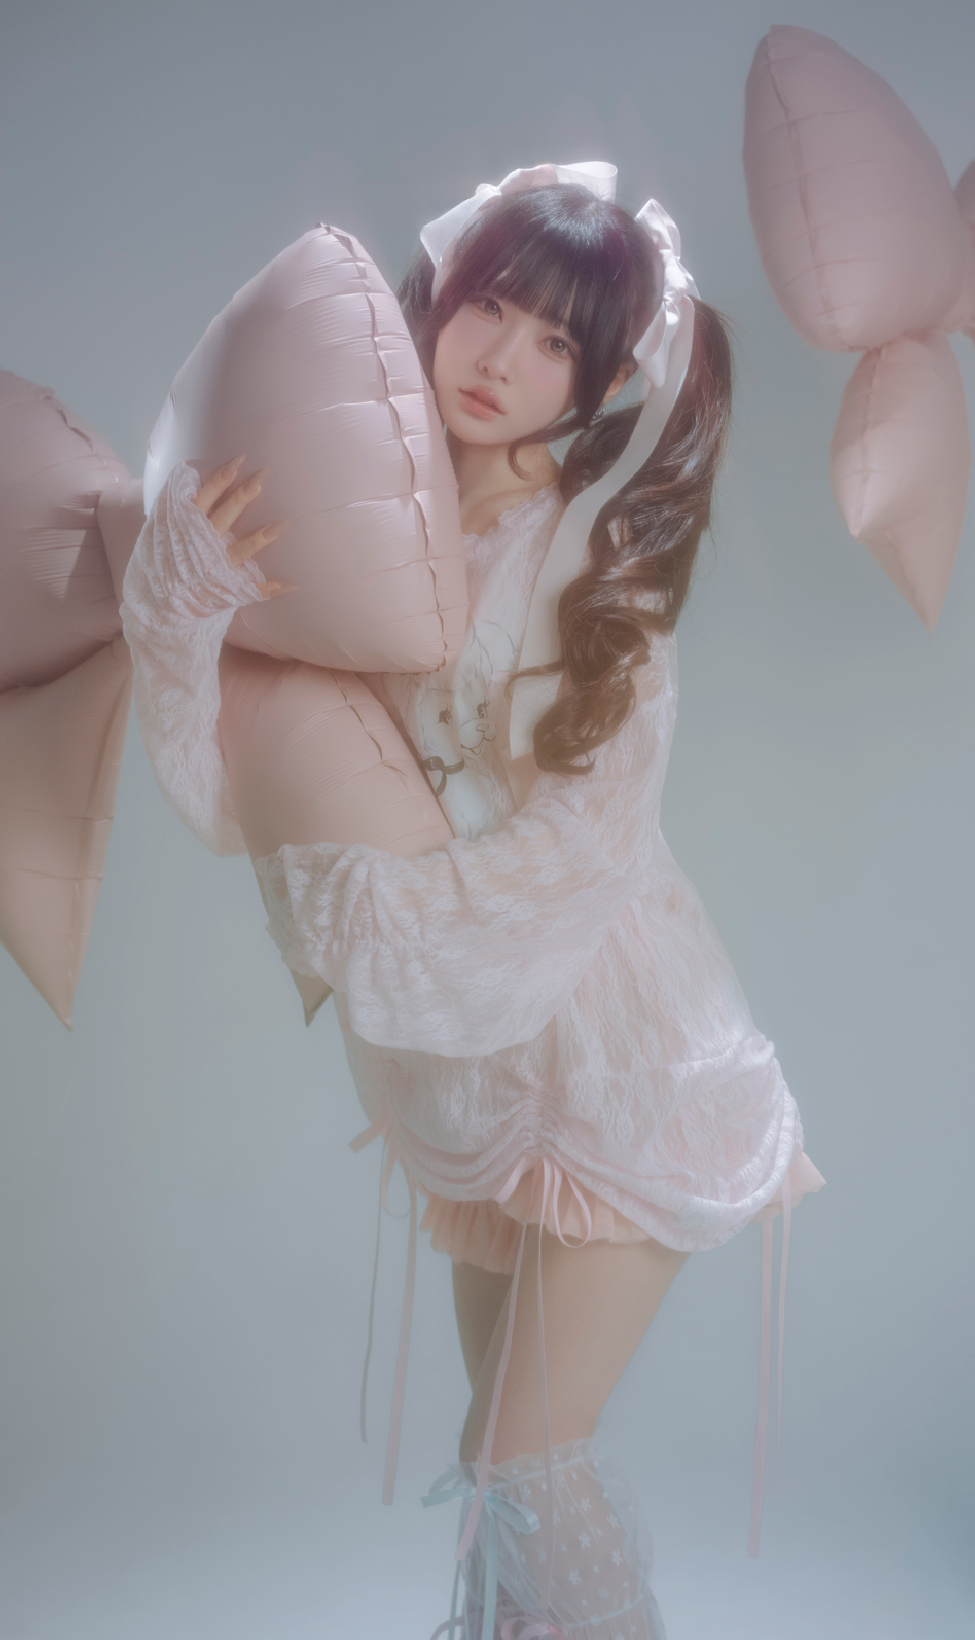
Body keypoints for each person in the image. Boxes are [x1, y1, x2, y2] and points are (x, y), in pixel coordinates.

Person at [121, 166, 823, 1640]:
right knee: (497, 1467)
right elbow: (237, 788)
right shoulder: (356, 528)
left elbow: (591, 840)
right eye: (489, 306)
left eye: (555, 341)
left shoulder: (589, 560)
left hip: (620, 1059)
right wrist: (180, 610)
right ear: (437, 299)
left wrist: (390, 924)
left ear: (600, 383)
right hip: (481, 1079)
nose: (499, 358)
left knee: (513, 1461)